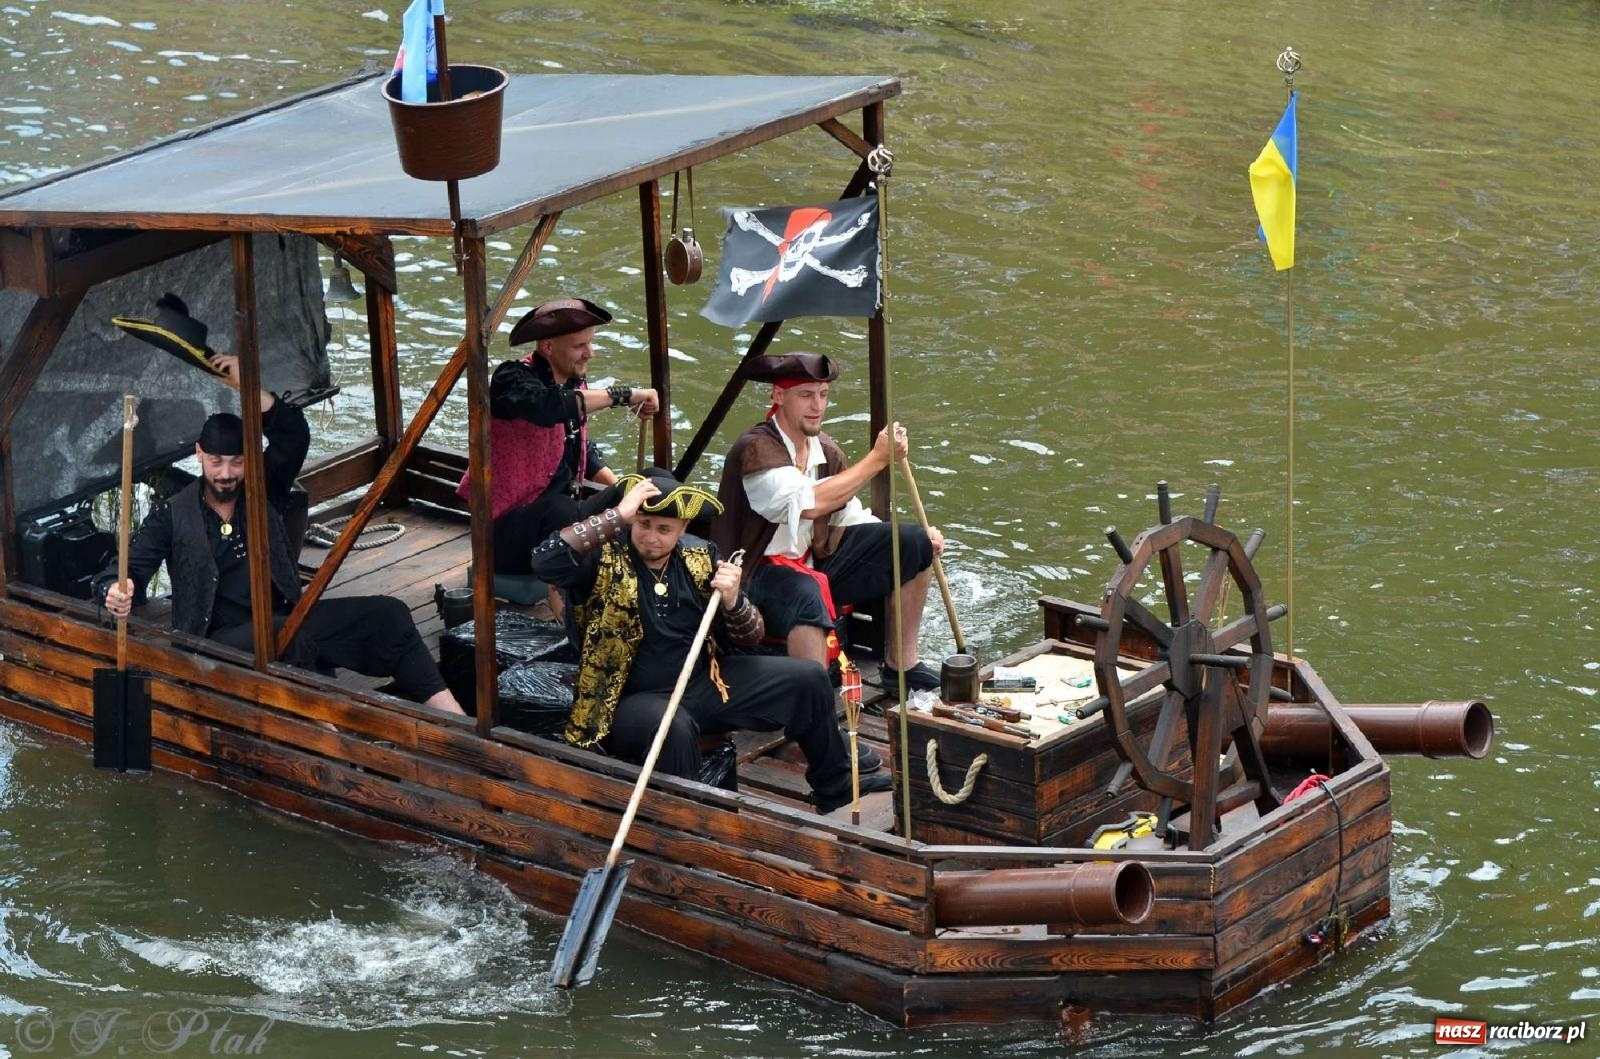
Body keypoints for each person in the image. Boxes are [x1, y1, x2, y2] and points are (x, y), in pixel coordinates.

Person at [530, 469, 891, 814]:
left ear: (682, 528)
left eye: (663, 529)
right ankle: (686, 823)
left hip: (704, 684)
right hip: (627, 701)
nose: (651, 537)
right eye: (643, 525)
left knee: (808, 679)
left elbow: (749, 638)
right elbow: (545, 561)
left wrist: (735, 601)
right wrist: (617, 515)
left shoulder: (702, 557)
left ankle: (835, 786)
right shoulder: (602, 557)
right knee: (674, 727)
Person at [95, 412, 465, 717]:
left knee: (389, 613)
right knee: (282, 634)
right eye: (216, 462)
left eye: (237, 462)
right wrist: (117, 588)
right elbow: (128, 569)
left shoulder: (263, 490)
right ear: (199, 454)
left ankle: (456, 722)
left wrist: (254, 391)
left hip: (286, 618)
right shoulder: (172, 514)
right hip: (214, 639)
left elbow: (292, 435)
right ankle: (334, 733)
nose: (226, 473)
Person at [711, 352, 946, 691]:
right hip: (751, 576)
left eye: (823, 395)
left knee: (911, 542)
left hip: (811, 562)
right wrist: (878, 459)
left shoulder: (826, 451)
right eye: (806, 395)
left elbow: (846, 513)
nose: (817, 406)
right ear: (779, 396)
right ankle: (813, 705)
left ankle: (902, 666)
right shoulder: (756, 449)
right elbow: (807, 506)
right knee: (806, 593)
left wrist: (921, 540)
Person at [456, 296, 661, 609]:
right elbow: (549, 408)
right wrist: (626, 395)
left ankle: (649, 583)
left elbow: (578, 447)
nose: (589, 354)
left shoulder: (574, 384)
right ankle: (570, 611)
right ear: (548, 346)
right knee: (561, 510)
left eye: (590, 344)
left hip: (560, 524)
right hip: (502, 537)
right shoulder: (511, 379)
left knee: (651, 480)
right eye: (580, 346)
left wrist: (623, 488)